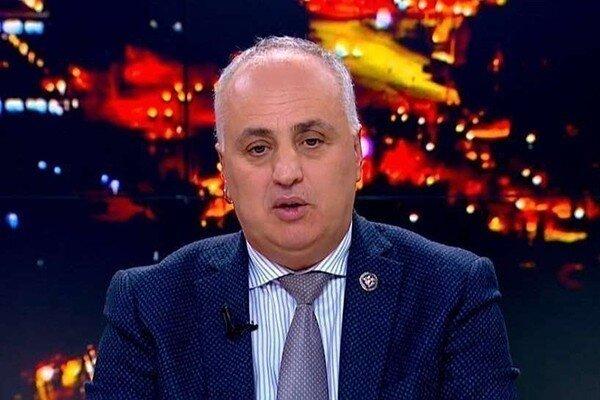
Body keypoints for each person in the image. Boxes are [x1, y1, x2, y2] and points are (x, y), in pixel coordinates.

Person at [85, 36, 520, 399]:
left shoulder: (451, 292)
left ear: (356, 154)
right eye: (258, 148)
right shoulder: (150, 306)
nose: (287, 173)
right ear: (225, 173)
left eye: (311, 141)